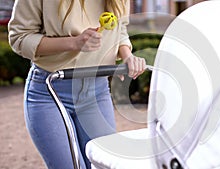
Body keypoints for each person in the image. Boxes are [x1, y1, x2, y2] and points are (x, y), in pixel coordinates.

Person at [8, 0, 146, 168]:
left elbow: (119, 28)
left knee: (102, 164)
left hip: (97, 92)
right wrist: (74, 43)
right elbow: (19, 38)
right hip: (50, 92)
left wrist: (127, 56)